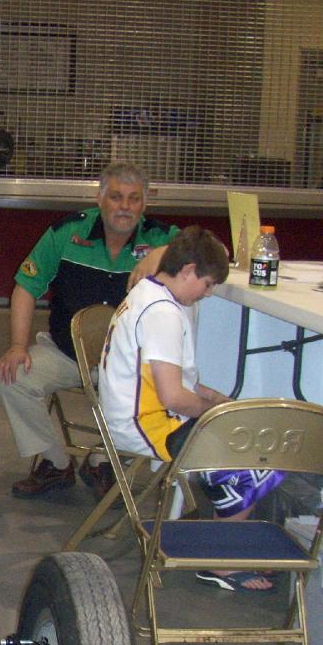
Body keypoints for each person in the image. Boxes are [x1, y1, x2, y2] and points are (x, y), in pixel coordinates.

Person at [99, 226, 283, 592]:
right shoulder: (163, 314)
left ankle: (226, 536)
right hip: (148, 426)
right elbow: (173, 397)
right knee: (261, 458)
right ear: (187, 270)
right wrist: (214, 413)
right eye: (208, 284)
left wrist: (216, 400)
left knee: (248, 432)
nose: (209, 293)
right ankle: (219, 561)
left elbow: (180, 380)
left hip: (136, 414)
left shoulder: (147, 291)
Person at [0, 161, 178, 499]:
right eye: (116, 197)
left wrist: (163, 254)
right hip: (66, 352)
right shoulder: (67, 232)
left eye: (134, 199)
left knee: (163, 396)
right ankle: (56, 463)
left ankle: (103, 462)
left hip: (128, 364)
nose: (125, 207)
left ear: (145, 203)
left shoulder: (160, 238)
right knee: (13, 378)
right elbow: (25, 287)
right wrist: (18, 346)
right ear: (100, 198)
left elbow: (214, 254)